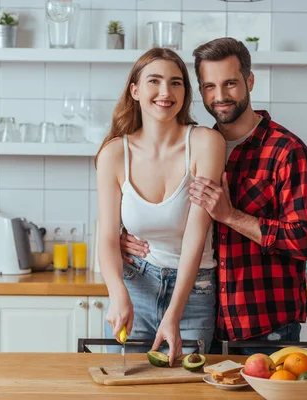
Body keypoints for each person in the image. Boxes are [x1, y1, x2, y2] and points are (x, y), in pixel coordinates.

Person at [121, 38, 307, 356]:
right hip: (202, 314)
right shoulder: (194, 146)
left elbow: (304, 240)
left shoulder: (286, 150)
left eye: (231, 83)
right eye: (209, 86)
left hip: (263, 324)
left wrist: (231, 216)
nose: (221, 96)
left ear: (250, 81)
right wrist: (128, 236)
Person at [95, 47, 226, 364]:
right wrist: (118, 294)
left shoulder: (206, 143)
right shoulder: (114, 154)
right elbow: (108, 237)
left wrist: (174, 313)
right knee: (125, 385)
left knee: (185, 390)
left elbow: (196, 236)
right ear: (135, 90)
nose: (166, 92)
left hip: (195, 292)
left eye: (176, 83)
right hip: (136, 284)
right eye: (154, 81)